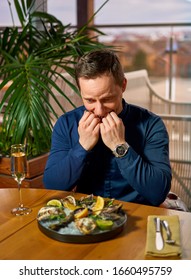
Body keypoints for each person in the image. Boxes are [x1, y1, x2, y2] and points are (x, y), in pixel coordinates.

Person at [43, 49, 172, 206]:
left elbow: (157, 193)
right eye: (90, 100)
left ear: (123, 85)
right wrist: (82, 147)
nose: (99, 110)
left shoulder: (151, 125)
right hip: (86, 218)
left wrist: (120, 146)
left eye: (107, 99)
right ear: (80, 91)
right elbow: (52, 186)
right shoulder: (66, 123)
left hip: (137, 214)